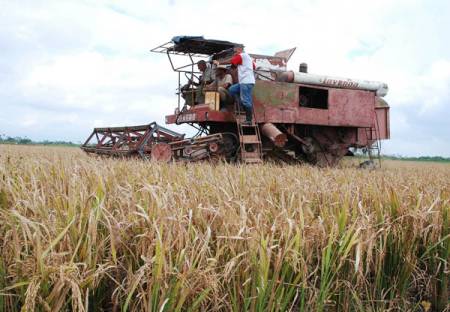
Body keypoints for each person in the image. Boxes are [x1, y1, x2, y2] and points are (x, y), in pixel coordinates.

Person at [228, 47, 256, 123]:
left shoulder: (242, 55)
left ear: (240, 50)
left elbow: (232, 62)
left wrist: (218, 63)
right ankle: (241, 103)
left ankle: (249, 120)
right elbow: (254, 67)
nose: (235, 53)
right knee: (232, 89)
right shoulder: (249, 58)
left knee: (246, 101)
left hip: (246, 82)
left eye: (236, 51)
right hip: (246, 82)